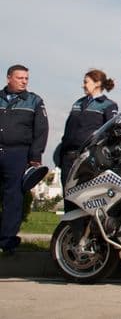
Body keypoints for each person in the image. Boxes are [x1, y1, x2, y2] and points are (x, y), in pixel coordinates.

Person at [0, 65, 48, 255]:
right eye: (20, 78)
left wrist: (35, 156)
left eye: (26, 78)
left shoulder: (34, 101)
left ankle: (8, 242)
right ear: (9, 78)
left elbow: (41, 130)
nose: (24, 81)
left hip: (18, 154)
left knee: (13, 199)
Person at [58, 69, 118, 210]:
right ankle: (69, 230)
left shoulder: (108, 105)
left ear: (97, 83)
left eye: (86, 82)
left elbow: (110, 132)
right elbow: (68, 130)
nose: (83, 85)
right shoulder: (78, 103)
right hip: (69, 159)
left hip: (88, 159)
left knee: (84, 199)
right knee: (69, 198)